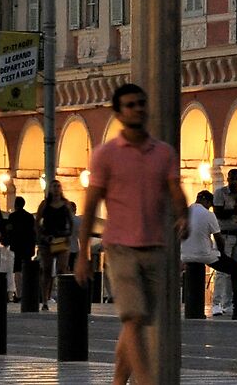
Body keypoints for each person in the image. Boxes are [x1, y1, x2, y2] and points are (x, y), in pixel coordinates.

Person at [76, 84, 182, 385]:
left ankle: (118, 382)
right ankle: (147, 382)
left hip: (154, 245)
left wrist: (182, 216)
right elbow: (91, 203)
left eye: (141, 103)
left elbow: (175, 191)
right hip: (119, 246)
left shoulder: (163, 152)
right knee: (133, 318)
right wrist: (83, 254)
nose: (138, 109)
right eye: (130, 105)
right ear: (119, 113)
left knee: (137, 322)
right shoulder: (105, 155)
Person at [181, 190, 222, 315]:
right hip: (204, 256)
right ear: (207, 201)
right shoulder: (208, 214)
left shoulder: (184, 212)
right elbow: (218, 238)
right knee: (235, 269)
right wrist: (222, 252)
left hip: (184, 255)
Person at [38, 179, 76, 283]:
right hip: (47, 239)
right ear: (49, 189)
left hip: (62, 238)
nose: (56, 189)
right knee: (47, 270)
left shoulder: (65, 204)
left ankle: (61, 294)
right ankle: (46, 296)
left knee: (61, 269)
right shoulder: (45, 204)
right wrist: (41, 236)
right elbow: (37, 222)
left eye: (58, 186)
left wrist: (69, 235)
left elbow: (71, 221)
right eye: (54, 186)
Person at [4, 194, 38, 287]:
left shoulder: (12, 216)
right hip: (28, 245)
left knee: (17, 267)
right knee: (27, 266)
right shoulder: (30, 217)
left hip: (17, 245)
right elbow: (33, 231)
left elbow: (9, 230)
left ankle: (19, 292)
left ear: (16, 205)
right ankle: (27, 289)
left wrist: (7, 241)